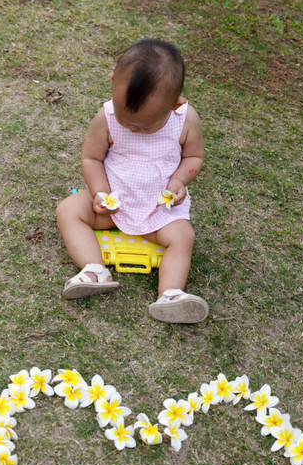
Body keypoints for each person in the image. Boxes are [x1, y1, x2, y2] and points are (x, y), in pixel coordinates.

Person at [56, 38, 208, 323]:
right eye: (126, 121)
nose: (132, 128)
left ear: (176, 103)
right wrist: (100, 193)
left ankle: (171, 294)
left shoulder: (186, 120)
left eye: (145, 125)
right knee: (68, 210)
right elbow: (91, 158)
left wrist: (179, 181)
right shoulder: (107, 117)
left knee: (183, 236)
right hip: (115, 202)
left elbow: (194, 157)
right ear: (113, 82)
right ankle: (93, 270)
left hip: (158, 209)